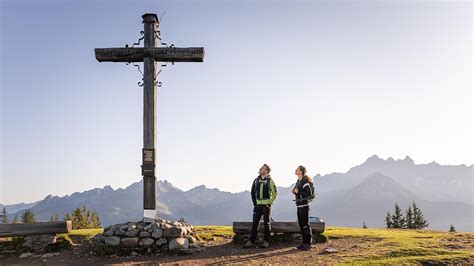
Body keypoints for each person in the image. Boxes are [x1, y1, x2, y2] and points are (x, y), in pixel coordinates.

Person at [243, 164, 277, 248]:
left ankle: (266, 241)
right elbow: (252, 192)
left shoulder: (270, 181)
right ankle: (251, 241)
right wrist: (255, 203)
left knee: (267, 223)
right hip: (257, 205)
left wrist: (269, 203)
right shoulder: (256, 180)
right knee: (255, 223)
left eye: (262, 168)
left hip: (266, 206)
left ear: (266, 171)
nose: (260, 169)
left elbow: (274, 193)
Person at [292, 165, 314, 251]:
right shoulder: (298, 181)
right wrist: (294, 192)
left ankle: (308, 244)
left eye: (297, 169)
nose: (295, 170)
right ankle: (304, 243)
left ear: (301, 171)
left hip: (304, 206)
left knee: (305, 225)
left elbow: (309, 193)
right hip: (299, 205)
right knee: (301, 225)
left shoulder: (305, 181)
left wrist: (298, 191)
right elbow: (298, 192)